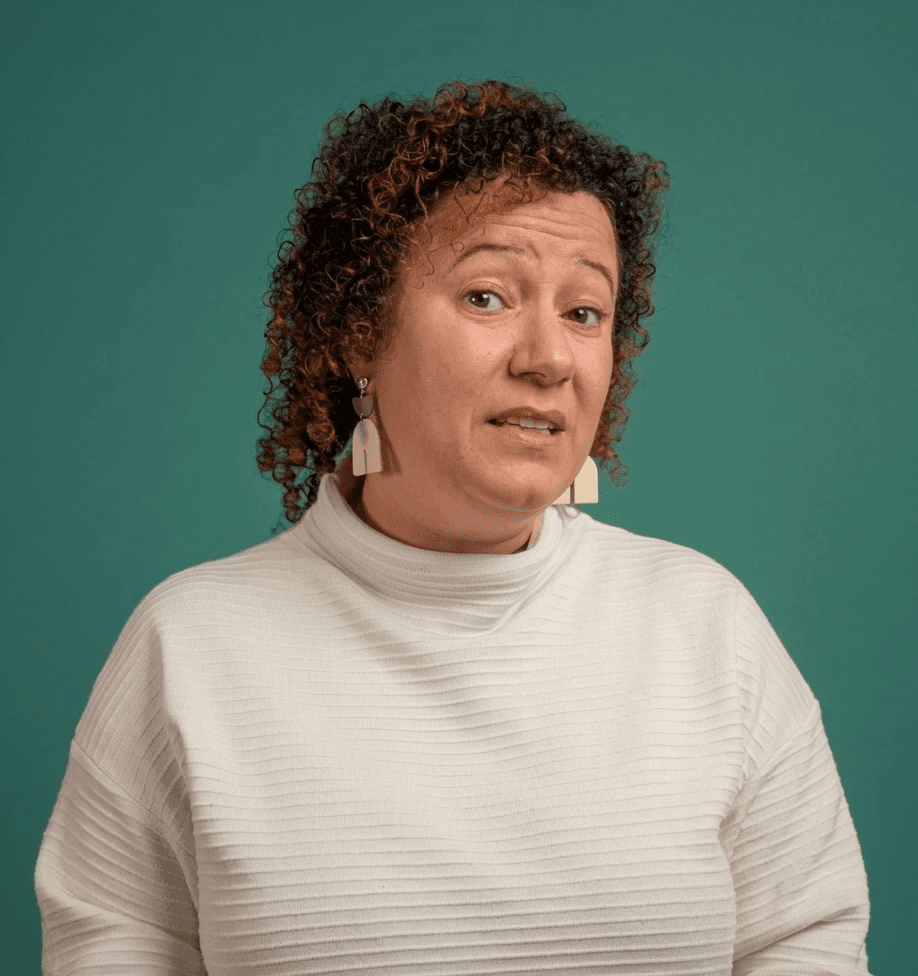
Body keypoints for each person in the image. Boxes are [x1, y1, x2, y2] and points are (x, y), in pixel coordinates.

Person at [34, 79, 872, 975]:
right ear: (360, 333)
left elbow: (805, 938)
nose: (548, 358)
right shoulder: (188, 645)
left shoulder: (709, 626)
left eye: (584, 312)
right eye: (487, 297)